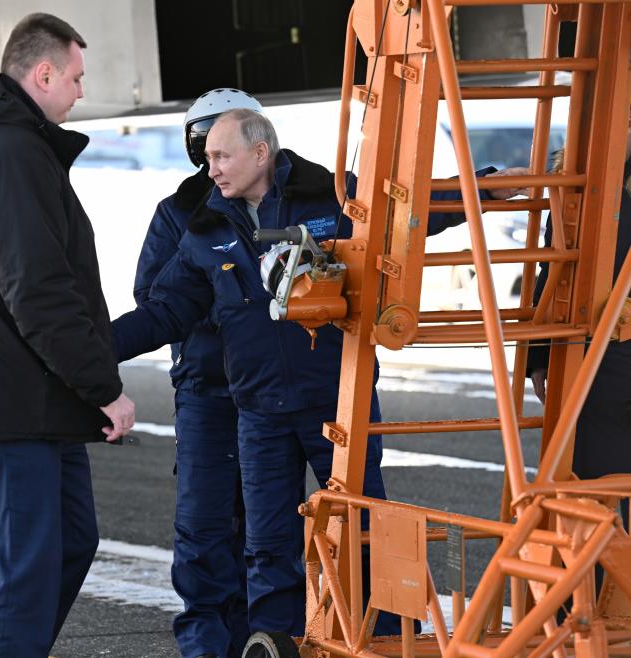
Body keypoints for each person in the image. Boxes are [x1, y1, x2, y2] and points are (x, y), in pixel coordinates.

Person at [114, 109, 520, 639]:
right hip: (258, 413)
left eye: (220, 157)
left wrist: (484, 191)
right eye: (209, 157)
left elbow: (412, 212)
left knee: (364, 530)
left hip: (337, 402)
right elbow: (163, 311)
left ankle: (386, 641)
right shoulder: (205, 228)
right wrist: (92, 348)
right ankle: (274, 645)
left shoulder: (330, 196)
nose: (209, 170)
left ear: (260, 153)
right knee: (268, 545)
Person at [0, 13, 135, 658]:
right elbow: (36, 290)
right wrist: (103, 386)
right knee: (31, 562)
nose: (79, 92)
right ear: (42, 74)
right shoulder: (8, 153)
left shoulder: (1, 146)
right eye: (74, 78)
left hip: (33, 397)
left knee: (69, 541)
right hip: (13, 399)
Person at [135, 88, 262, 658]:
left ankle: (263, 641)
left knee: (270, 531)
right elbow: (154, 298)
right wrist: (235, 302)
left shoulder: (290, 199)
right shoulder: (178, 215)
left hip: (272, 395)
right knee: (206, 527)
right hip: (209, 390)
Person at [529, 138, 631, 526]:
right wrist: (540, 356)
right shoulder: (573, 184)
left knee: (595, 483)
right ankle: (592, 581)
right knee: (593, 487)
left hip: (601, 351)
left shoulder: (573, 181)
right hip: (596, 351)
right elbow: (553, 271)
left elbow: (552, 270)